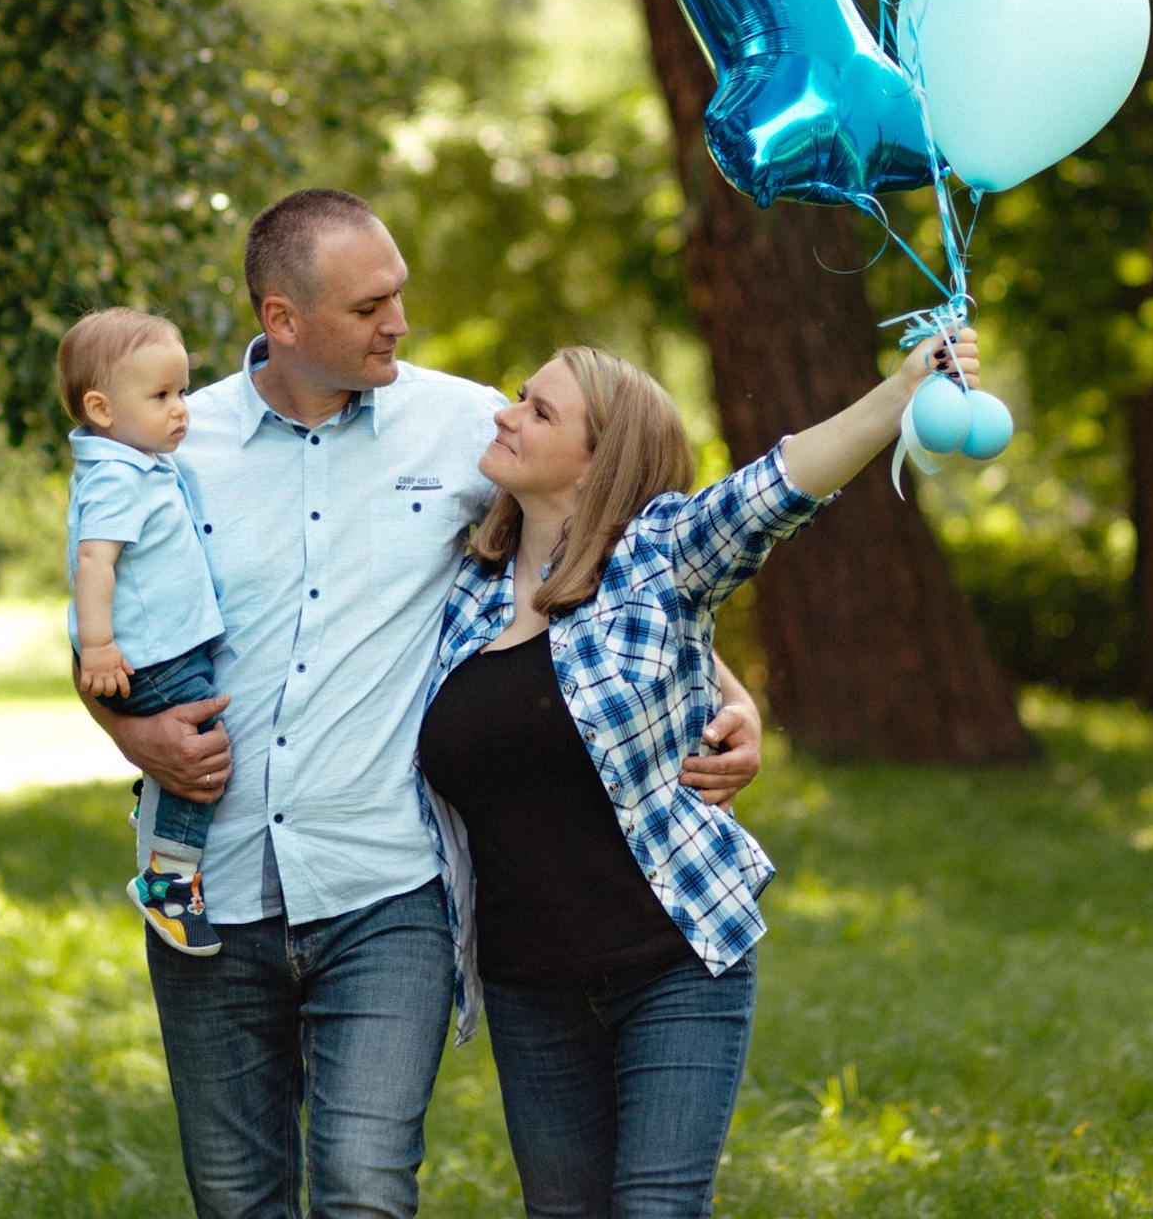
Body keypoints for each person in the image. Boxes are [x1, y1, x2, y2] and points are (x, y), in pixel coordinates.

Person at [74, 188, 765, 1219]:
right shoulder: (174, 444)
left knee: (364, 1186)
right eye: (367, 308)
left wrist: (730, 692)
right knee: (233, 1195)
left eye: (397, 296)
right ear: (282, 320)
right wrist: (134, 733)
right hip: (207, 886)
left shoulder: (460, 428)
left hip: (386, 886)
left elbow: (607, 559)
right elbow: (99, 643)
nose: (397, 322)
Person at [417, 331, 981, 1219]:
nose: (505, 413)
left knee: (656, 1208)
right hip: (528, 984)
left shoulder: (658, 557)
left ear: (598, 459)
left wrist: (903, 388)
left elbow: (782, 483)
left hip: (673, 959)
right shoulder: (462, 590)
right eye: (519, 396)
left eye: (539, 409)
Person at [59, 306, 226, 956]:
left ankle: (155, 809)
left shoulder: (137, 461)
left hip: (162, 648)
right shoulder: (115, 476)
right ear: (101, 409)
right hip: (150, 657)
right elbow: (94, 561)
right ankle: (168, 880)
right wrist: (98, 648)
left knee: (188, 755)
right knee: (201, 756)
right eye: (161, 396)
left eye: (182, 391)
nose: (181, 408)